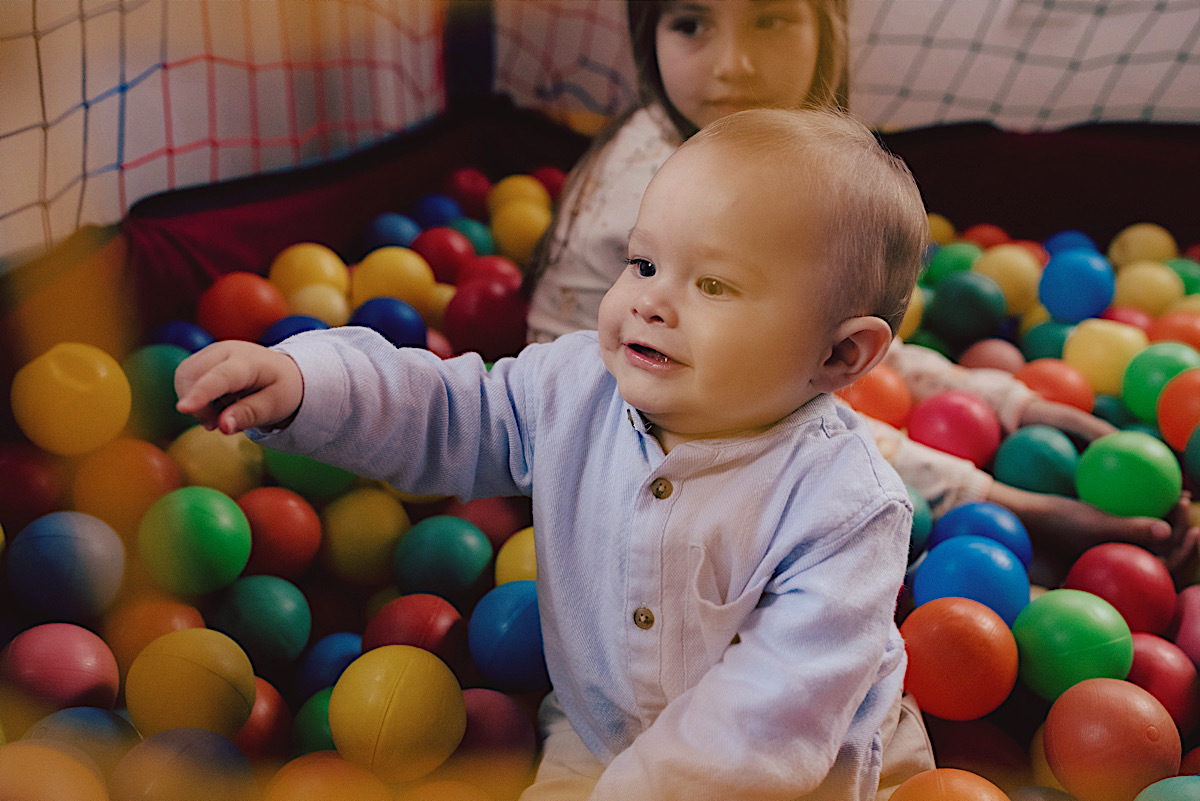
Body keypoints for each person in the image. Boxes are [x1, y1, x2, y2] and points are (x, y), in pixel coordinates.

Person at [177, 108, 935, 800]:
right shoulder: (574, 387)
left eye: (712, 283)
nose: (650, 300)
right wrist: (309, 382)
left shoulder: (844, 507)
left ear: (841, 353)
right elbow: (448, 410)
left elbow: (775, 704)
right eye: (642, 263)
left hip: (811, 761)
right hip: (599, 728)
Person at [521, 0, 1197, 584]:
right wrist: (1002, 498)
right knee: (799, 426)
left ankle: (1019, 429)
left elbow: (828, 325)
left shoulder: (766, 156)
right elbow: (764, 395)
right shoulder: (676, 186)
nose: (733, 63)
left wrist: (1009, 400)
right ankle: (1023, 504)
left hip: (718, 354)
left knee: (829, 335)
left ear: (826, 27)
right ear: (649, 35)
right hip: (624, 413)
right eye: (692, 23)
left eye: (770, 19)